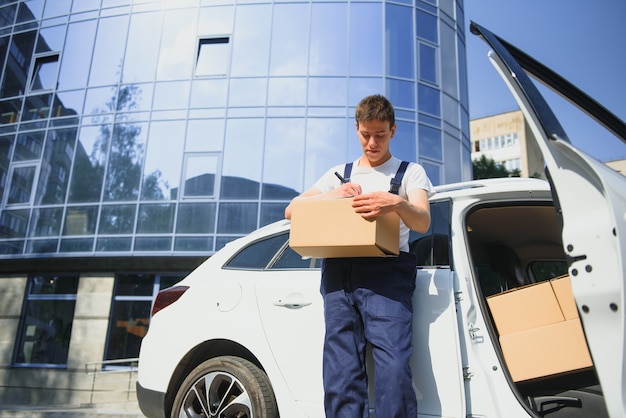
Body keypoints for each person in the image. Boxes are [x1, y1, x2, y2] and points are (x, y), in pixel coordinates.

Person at [285, 94, 434, 418]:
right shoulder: (339, 173)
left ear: (393, 130)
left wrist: (394, 203)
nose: (372, 142)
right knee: (341, 370)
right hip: (339, 273)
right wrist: (332, 195)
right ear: (357, 130)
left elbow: (422, 220)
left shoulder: (411, 173)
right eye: (366, 134)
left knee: (393, 366)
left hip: (388, 274)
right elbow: (291, 210)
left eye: (380, 134)